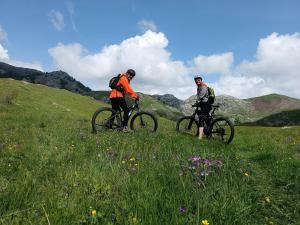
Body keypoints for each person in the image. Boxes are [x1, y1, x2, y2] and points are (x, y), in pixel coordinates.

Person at [194, 75, 212, 140]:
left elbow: (200, 96)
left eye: (198, 80)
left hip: (206, 104)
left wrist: (196, 102)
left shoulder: (203, 86)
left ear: (201, 80)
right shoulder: (198, 87)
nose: (197, 81)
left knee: (201, 118)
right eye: (196, 80)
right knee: (206, 119)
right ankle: (209, 134)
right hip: (203, 104)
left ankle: (200, 137)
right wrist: (197, 103)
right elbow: (198, 96)